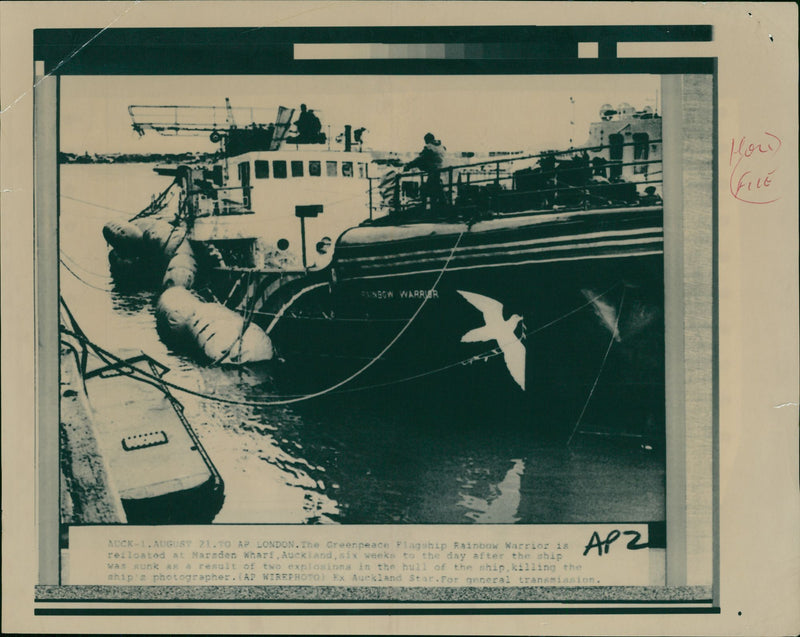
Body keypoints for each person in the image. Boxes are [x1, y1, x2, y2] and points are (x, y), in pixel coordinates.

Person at [405, 133, 447, 211]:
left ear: (427, 140)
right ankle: (441, 207)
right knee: (438, 190)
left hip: (434, 171)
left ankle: (425, 209)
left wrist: (408, 166)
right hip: (442, 171)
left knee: (425, 189)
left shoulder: (429, 147)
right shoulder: (441, 147)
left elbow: (420, 159)